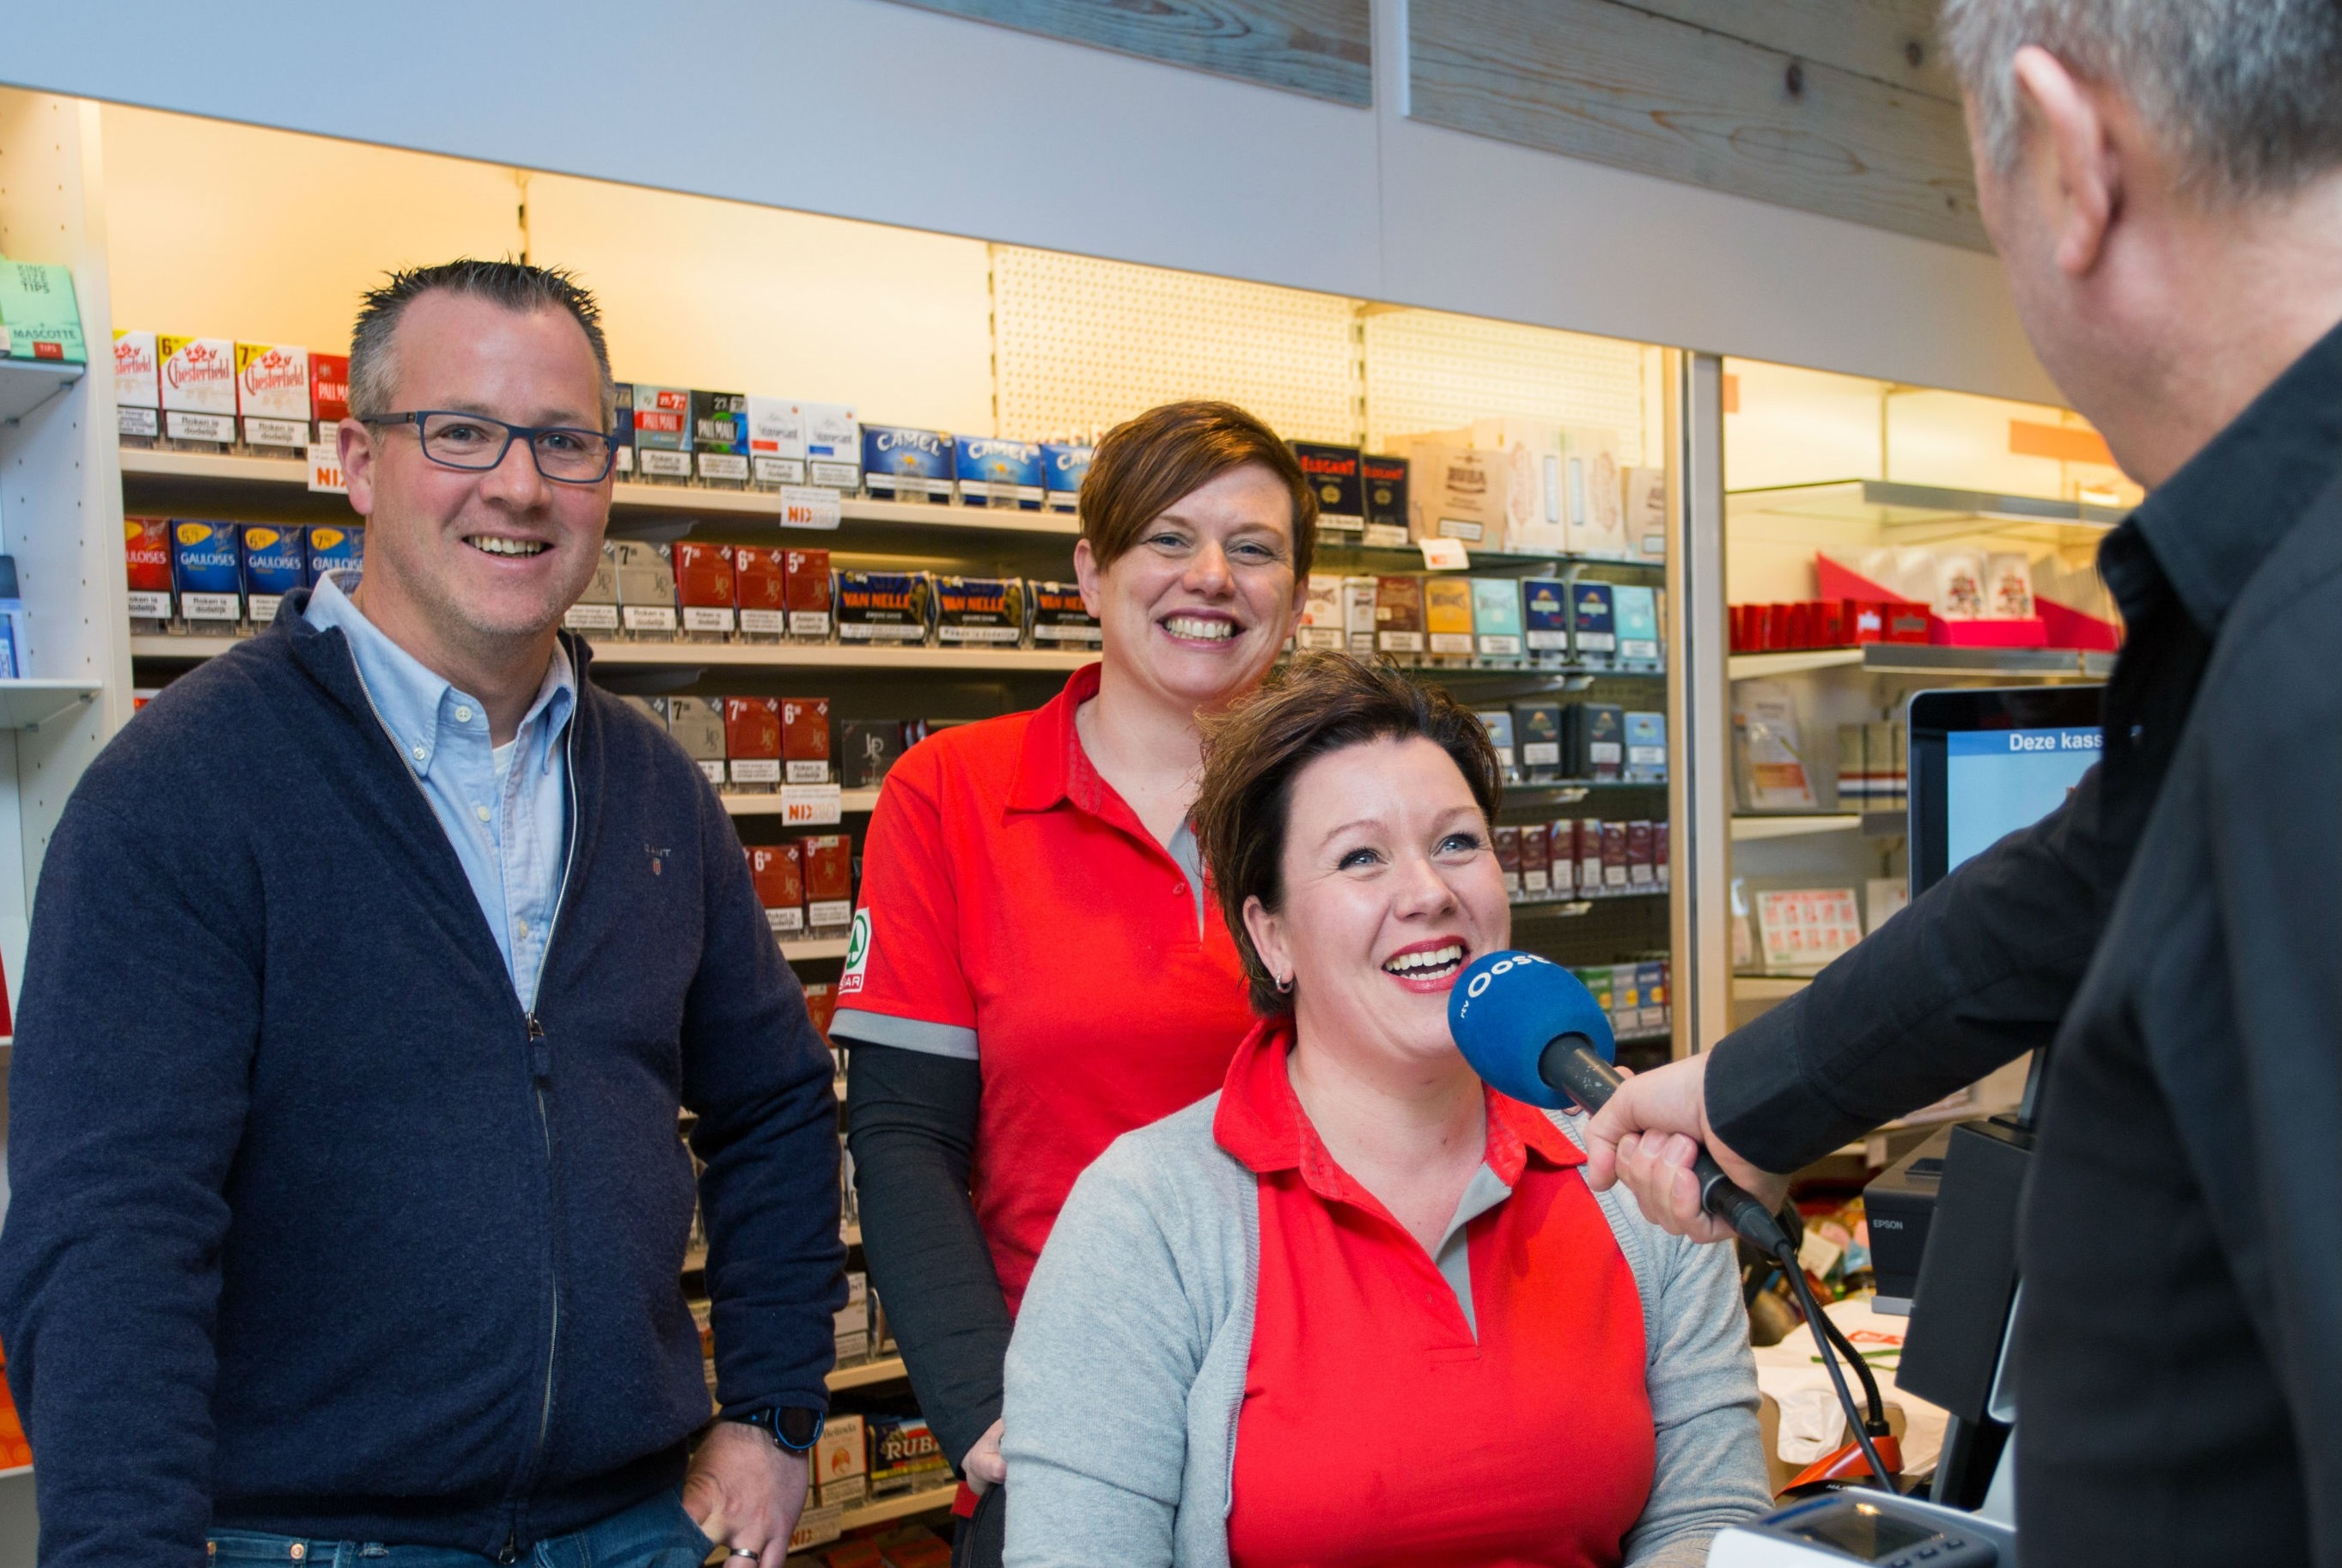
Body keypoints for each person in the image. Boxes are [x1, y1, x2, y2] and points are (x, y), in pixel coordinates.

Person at [1583, 3, 2342, 1561]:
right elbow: (2080, 879)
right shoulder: (2260, 607)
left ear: (2071, 156)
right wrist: (1746, 1095)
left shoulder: (2308, 655)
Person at [0, 260, 845, 1567]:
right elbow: (109, 1231)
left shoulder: (654, 788)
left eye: (564, 442)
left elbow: (777, 1103)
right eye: (460, 432)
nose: (519, 485)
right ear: (357, 462)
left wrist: (776, 1412)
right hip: (307, 1541)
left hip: (634, 1525)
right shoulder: (185, 787)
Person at [1000, 654, 1770, 1568]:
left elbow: (1708, 1515)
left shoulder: (1634, 1172)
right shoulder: (1146, 1217)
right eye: (1361, 856)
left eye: (1457, 843)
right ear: (1271, 936)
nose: (1429, 892)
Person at [835, 400, 1314, 1562]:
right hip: (1065, 1418)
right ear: (1090, 574)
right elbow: (902, 1138)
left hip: (1321, 1412)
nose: (1211, 577)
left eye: (1252, 548)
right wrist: (983, 1407)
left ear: (1298, 598)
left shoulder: (1343, 804)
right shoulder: (949, 794)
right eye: (1167, 537)